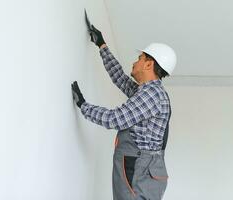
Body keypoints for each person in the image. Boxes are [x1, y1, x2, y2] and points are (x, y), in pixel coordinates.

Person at [71, 25, 177, 200]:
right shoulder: (147, 92)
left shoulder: (151, 95)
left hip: (140, 169)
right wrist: (102, 45)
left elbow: (115, 119)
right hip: (141, 167)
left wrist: (83, 106)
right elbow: (120, 78)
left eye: (139, 58)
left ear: (149, 64)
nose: (135, 62)